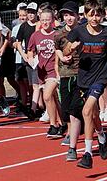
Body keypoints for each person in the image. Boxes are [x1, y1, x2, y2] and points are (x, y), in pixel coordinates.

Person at [64, 0, 107, 170]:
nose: (95, 18)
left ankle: (88, 154)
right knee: (94, 115)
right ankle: (102, 137)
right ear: (86, 15)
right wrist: (71, 50)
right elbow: (66, 51)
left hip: (101, 77)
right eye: (91, 15)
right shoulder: (78, 32)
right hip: (84, 78)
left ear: (103, 15)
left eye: (98, 15)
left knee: (87, 110)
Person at [26, 8, 63, 138]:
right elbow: (30, 50)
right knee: (53, 98)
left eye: (48, 20)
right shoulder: (35, 35)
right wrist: (31, 59)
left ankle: (53, 125)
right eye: (43, 20)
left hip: (54, 70)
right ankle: (63, 123)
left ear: (53, 20)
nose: (45, 22)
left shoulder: (57, 34)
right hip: (42, 71)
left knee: (47, 96)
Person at [55, 1, 82, 155]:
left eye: (71, 14)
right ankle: (72, 130)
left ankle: (72, 135)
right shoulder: (59, 33)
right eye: (66, 15)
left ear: (77, 15)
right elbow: (57, 49)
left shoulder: (83, 31)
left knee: (75, 107)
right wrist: (62, 57)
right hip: (65, 73)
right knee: (65, 108)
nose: (69, 18)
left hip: (81, 74)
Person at [15, 2, 40, 119]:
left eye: (33, 13)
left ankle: (37, 107)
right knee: (31, 84)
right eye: (29, 12)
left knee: (37, 84)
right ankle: (34, 106)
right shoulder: (23, 26)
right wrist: (23, 54)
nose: (31, 15)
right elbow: (18, 42)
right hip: (29, 58)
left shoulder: (40, 25)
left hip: (39, 57)